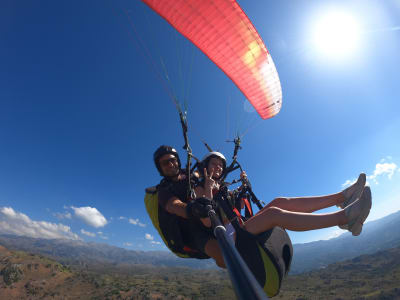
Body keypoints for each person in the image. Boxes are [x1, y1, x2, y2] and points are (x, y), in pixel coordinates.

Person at [195, 151, 371, 249]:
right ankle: (345, 218)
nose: (218, 167)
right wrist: (209, 190)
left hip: (239, 226)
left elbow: (237, 208)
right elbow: (205, 221)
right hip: (228, 238)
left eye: (220, 164)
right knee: (273, 214)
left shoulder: (222, 188)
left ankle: (341, 198)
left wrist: (243, 188)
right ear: (205, 167)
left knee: (279, 201)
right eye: (214, 164)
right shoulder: (200, 188)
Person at [148, 145, 225, 266]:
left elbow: (205, 171)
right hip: (191, 231)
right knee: (225, 255)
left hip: (209, 217)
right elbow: (173, 205)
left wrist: (215, 163)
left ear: (177, 161)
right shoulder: (163, 190)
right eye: (164, 163)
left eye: (172, 160)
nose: (170, 164)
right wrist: (193, 209)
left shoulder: (190, 174)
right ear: (160, 168)